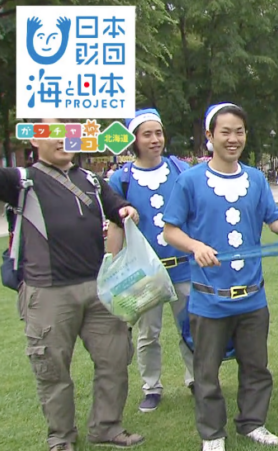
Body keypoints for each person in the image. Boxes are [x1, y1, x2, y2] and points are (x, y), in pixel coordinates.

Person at [0, 99, 143, 451]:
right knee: (51, 368)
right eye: (51, 131)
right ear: (35, 140)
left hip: (97, 289)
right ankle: (60, 436)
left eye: (69, 131)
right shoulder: (21, 181)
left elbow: (115, 203)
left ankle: (106, 427)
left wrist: (125, 209)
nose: (62, 139)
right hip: (47, 292)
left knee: (114, 359)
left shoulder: (91, 180)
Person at [162, 103, 278, 451]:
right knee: (206, 370)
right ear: (210, 136)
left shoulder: (255, 180)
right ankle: (212, 432)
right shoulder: (189, 180)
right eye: (225, 132)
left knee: (256, 366)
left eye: (239, 132)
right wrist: (195, 246)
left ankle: (252, 422)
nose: (233, 139)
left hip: (252, 297)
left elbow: (276, 224)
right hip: (208, 297)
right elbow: (170, 230)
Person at [105, 108, 195, 413]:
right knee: (148, 333)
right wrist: (113, 266)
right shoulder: (122, 179)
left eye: (158, 132)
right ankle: (152, 386)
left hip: (182, 266)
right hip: (144, 273)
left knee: (190, 326)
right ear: (135, 139)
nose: (155, 139)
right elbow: (116, 225)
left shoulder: (180, 170)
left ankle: (195, 378)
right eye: (147, 134)